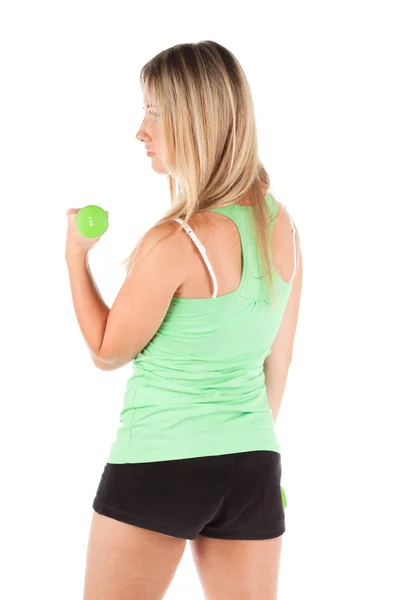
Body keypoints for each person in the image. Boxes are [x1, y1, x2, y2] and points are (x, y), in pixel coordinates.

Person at [78, 41, 303, 600]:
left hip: (159, 464)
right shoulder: (284, 228)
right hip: (251, 467)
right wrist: (252, 456)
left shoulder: (177, 241)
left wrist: (74, 257)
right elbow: (280, 359)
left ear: (195, 119)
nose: (141, 130)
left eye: (154, 111)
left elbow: (107, 351)